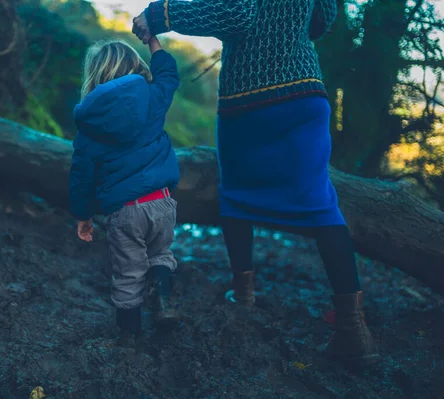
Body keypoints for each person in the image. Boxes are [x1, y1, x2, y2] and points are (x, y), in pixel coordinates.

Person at [132, 0, 379, 365]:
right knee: (321, 204)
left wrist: (158, 15)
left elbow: (236, 13)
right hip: (305, 94)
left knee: (236, 195)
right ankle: (352, 326)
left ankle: (243, 298)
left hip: (251, 98)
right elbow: (320, 21)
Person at [69, 38, 181, 345]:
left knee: (129, 273)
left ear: (95, 75)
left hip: (124, 210)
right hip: (162, 202)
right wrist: (153, 41)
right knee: (160, 254)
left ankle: (130, 336)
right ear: (134, 65)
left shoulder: (90, 123)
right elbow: (169, 75)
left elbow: (82, 174)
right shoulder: (153, 97)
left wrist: (83, 214)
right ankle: (163, 298)